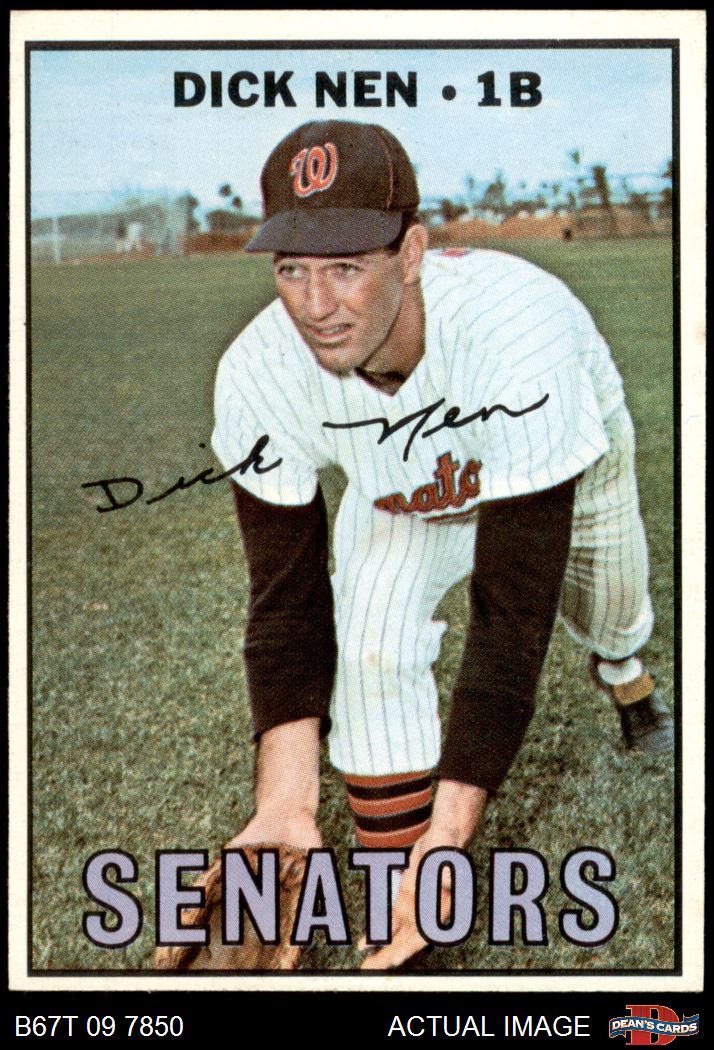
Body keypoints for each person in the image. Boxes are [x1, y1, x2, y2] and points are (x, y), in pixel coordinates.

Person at [179, 120, 674, 971]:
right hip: (405, 492)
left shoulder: (515, 331)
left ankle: (629, 682)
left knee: (614, 612)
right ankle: (401, 914)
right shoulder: (258, 370)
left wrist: (455, 831)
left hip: (565, 461)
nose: (314, 305)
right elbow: (285, 602)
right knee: (372, 631)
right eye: (291, 269)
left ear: (411, 253)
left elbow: (511, 617)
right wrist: (285, 801)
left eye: (345, 267)